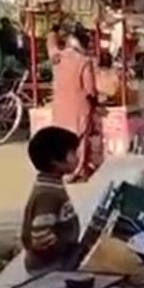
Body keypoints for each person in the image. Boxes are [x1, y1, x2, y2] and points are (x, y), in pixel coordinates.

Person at [21, 126, 82, 275]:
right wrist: (68, 251)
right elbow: (41, 237)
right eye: (73, 153)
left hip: (57, 260)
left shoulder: (51, 186)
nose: (77, 157)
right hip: (50, 265)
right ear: (55, 161)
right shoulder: (48, 194)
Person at [47, 26, 100, 182]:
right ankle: (77, 170)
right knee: (80, 140)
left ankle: (63, 169)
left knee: (62, 140)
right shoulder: (84, 61)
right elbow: (90, 89)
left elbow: (50, 44)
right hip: (79, 107)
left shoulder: (57, 57)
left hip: (60, 107)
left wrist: (53, 30)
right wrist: (96, 103)